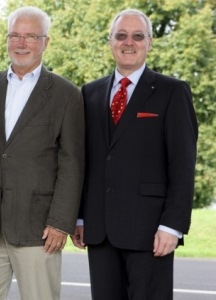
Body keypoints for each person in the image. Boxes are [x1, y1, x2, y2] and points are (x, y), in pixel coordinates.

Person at [71, 8, 198, 300]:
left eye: (138, 36)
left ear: (149, 43)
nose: (129, 42)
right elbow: (83, 161)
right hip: (100, 228)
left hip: (151, 231)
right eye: (121, 35)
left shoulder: (173, 91)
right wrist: (80, 218)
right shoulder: (89, 93)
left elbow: (182, 165)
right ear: (110, 41)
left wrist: (173, 225)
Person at [0, 6, 85, 300]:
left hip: (39, 228)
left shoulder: (66, 94)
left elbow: (72, 163)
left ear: (45, 42)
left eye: (30, 36)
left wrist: (61, 222)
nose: (21, 43)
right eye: (14, 35)